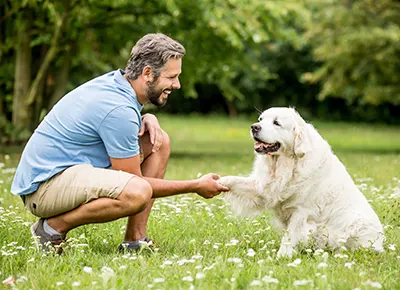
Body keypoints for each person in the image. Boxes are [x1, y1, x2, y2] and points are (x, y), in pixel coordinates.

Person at [11, 33, 229, 253]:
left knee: (159, 141)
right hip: (44, 188)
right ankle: (50, 229)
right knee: (137, 191)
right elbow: (134, 181)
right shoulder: (118, 108)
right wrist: (195, 185)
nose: (177, 84)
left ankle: (135, 239)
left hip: (62, 173)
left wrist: (146, 118)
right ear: (147, 73)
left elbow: (111, 124)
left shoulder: (118, 84)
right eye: (171, 77)